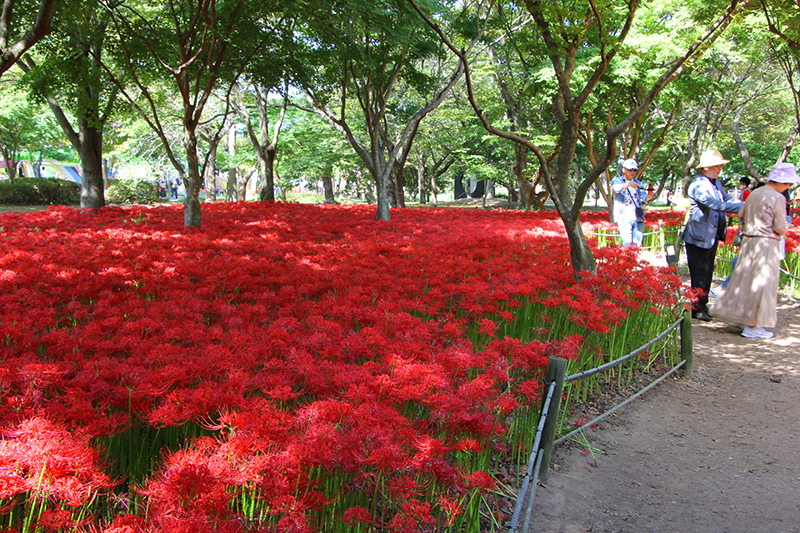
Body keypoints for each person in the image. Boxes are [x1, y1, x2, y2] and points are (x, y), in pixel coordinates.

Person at [709, 163, 799, 339]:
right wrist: (787, 226)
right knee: (762, 285)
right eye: (788, 183)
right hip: (766, 244)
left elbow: (741, 213)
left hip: (749, 243)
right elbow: (780, 227)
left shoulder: (755, 193)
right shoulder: (777, 198)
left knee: (747, 282)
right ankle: (753, 326)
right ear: (783, 182)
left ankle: (747, 321)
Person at [683, 150, 743, 321]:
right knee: (699, 274)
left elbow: (727, 199)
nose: (720, 168)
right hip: (698, 237)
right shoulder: (698, 185)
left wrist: (745, 203)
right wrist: (745, 207)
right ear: (706, 167)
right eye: (718, 165)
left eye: (721, 165)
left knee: (707, 272)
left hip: (711, 236)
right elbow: (715, 204)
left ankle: (702, 304)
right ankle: (696, 307)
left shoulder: (715, 183)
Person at [611, 158, 648, 247]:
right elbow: (616, 189)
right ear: (624, 170)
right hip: (623, 217)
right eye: (630, 169)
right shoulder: (617, 180)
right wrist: (629, 184)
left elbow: (645, 198)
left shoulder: (639, 183)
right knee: (627, 243)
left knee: (637, 245)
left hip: (637, 217)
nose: (632, 172)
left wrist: (649, 196)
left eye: (634, 170)